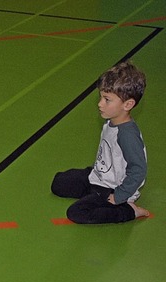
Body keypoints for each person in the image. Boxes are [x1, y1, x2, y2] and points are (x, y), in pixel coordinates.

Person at [51, 61, 149, 224]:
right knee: (59, 183)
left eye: (107, 99)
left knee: (76, 212)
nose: (100, 104)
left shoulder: (127, 135)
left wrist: (119, 196)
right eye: (101, 97)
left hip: (112, 188)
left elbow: (139, 169)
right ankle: (93, 195)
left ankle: (129, 211)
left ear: (128, 104)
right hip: (98, 177)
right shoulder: (112, 121)